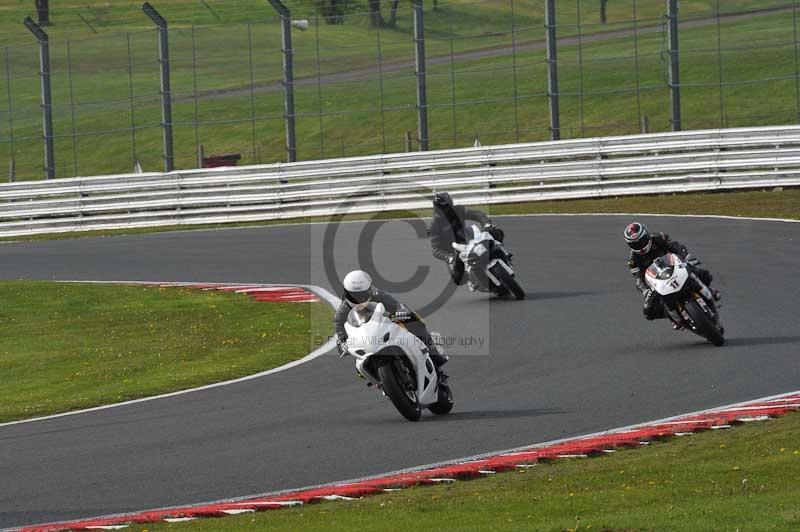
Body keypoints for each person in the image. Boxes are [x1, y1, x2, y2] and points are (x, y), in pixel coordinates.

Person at [334, 270, 448, 381]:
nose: (358, 299)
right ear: (346, 293)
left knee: (413, 321)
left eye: (362, 295)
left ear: (369, 289)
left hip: (386, 327)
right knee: (359, 368)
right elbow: (340, 333)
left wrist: (401, 313)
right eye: (353, 295)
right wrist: (343, 344)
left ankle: (433, 350)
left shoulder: (378, 295)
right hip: (367, 340)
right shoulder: (342, 312)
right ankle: (381, 382)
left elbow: (397, 306)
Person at [624, 222, 719, 326]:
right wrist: (646, 291)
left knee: (702, 273)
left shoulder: (658, 238)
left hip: (676, 267)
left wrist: (688, 257)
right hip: (660, 282)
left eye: (641, 241)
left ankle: (709, 291)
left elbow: (676, 247)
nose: (640, 245)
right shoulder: (633, 261)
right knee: (648, 311)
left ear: (646, 235)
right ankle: (673, 318)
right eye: (635, 244)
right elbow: (639, 279)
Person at [429, 192, 505, 287]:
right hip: (453, 250)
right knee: (458, 279)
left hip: (468, 237)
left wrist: (486, 224)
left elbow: (477, 214)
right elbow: (435, 249)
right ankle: (474, 280)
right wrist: (448, 257)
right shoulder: (434, 224)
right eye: (443, 207)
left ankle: (502, 253)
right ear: (437, 208)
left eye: (448, 205)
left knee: (497, 232)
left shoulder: (458, 210)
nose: (446, 209)